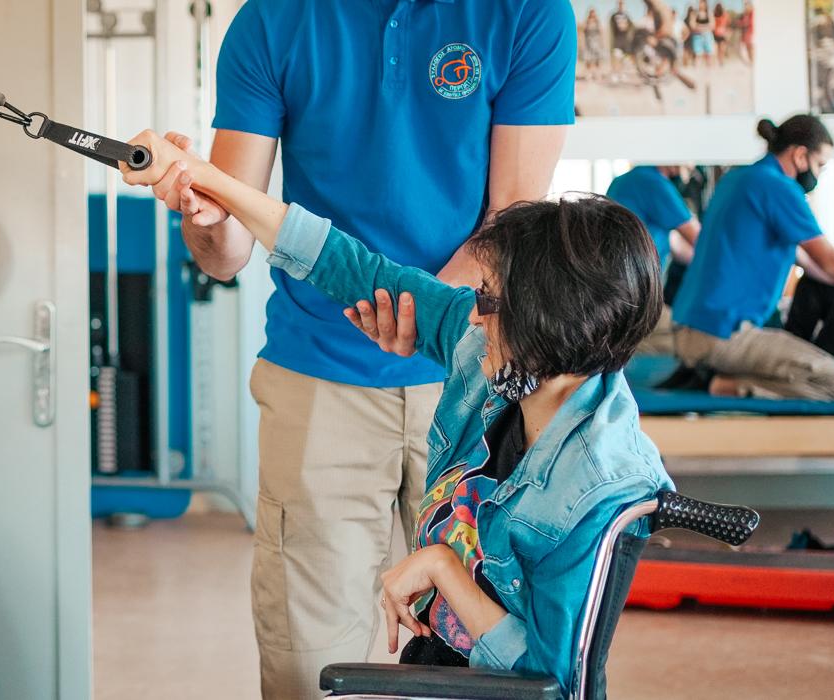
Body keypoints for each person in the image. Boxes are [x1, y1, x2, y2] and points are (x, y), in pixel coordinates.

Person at [119, 134, 672, 694]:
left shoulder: (596, 484)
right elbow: (352, 267)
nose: (473, 318)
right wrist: (202, 177)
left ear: (549, 319)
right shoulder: (504, 362)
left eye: (488, 300)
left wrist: (442, 570)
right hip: (438, 669)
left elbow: (555, 684)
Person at [147, 2, 575, 696]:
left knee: (489, 650)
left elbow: (514, 223)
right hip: (320, 374)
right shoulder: (273, 21)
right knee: (307, 661)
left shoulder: (528, 11)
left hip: (476, 372)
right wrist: (203, 210)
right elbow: (225, 248)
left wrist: (419, 319)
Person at [671, 115, 834, 400]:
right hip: (723, 334)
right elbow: (828, 261)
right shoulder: (780, 187)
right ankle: (721, 385)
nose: (819, 174)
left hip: (688, 329)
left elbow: (810, 263)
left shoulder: (736, 178)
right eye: (820, 164)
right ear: (800, 155)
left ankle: (714, 374)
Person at [606, 164, 700, 273]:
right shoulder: (654, 182)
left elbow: (673, 244)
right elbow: (699, 238)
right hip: (637, 278)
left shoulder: (621, 181)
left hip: (618, 276)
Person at [688, 1, 718, 69]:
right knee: (698, 55)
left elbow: (712, 25)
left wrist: (699, 27)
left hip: (707, 36)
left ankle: (709, 72)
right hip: (697, 37)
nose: (701, 4)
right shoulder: (694, 13)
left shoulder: (709, 13)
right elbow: (692, 25)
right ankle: (696, 71)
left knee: (709, 55)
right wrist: (705, 27)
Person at [581, 9, 607, 83]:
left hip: (597, 44)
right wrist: (582, 43)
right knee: (588, 60)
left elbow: (601, 32)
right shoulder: (586, 22)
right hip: (588, 43)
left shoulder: (598, 22)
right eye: (591, 13)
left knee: (598, 60)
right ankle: (588, 75)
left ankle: (598, 75)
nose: (593, 15)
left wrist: (602, 43)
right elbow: (583, 32)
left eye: (594, 13)